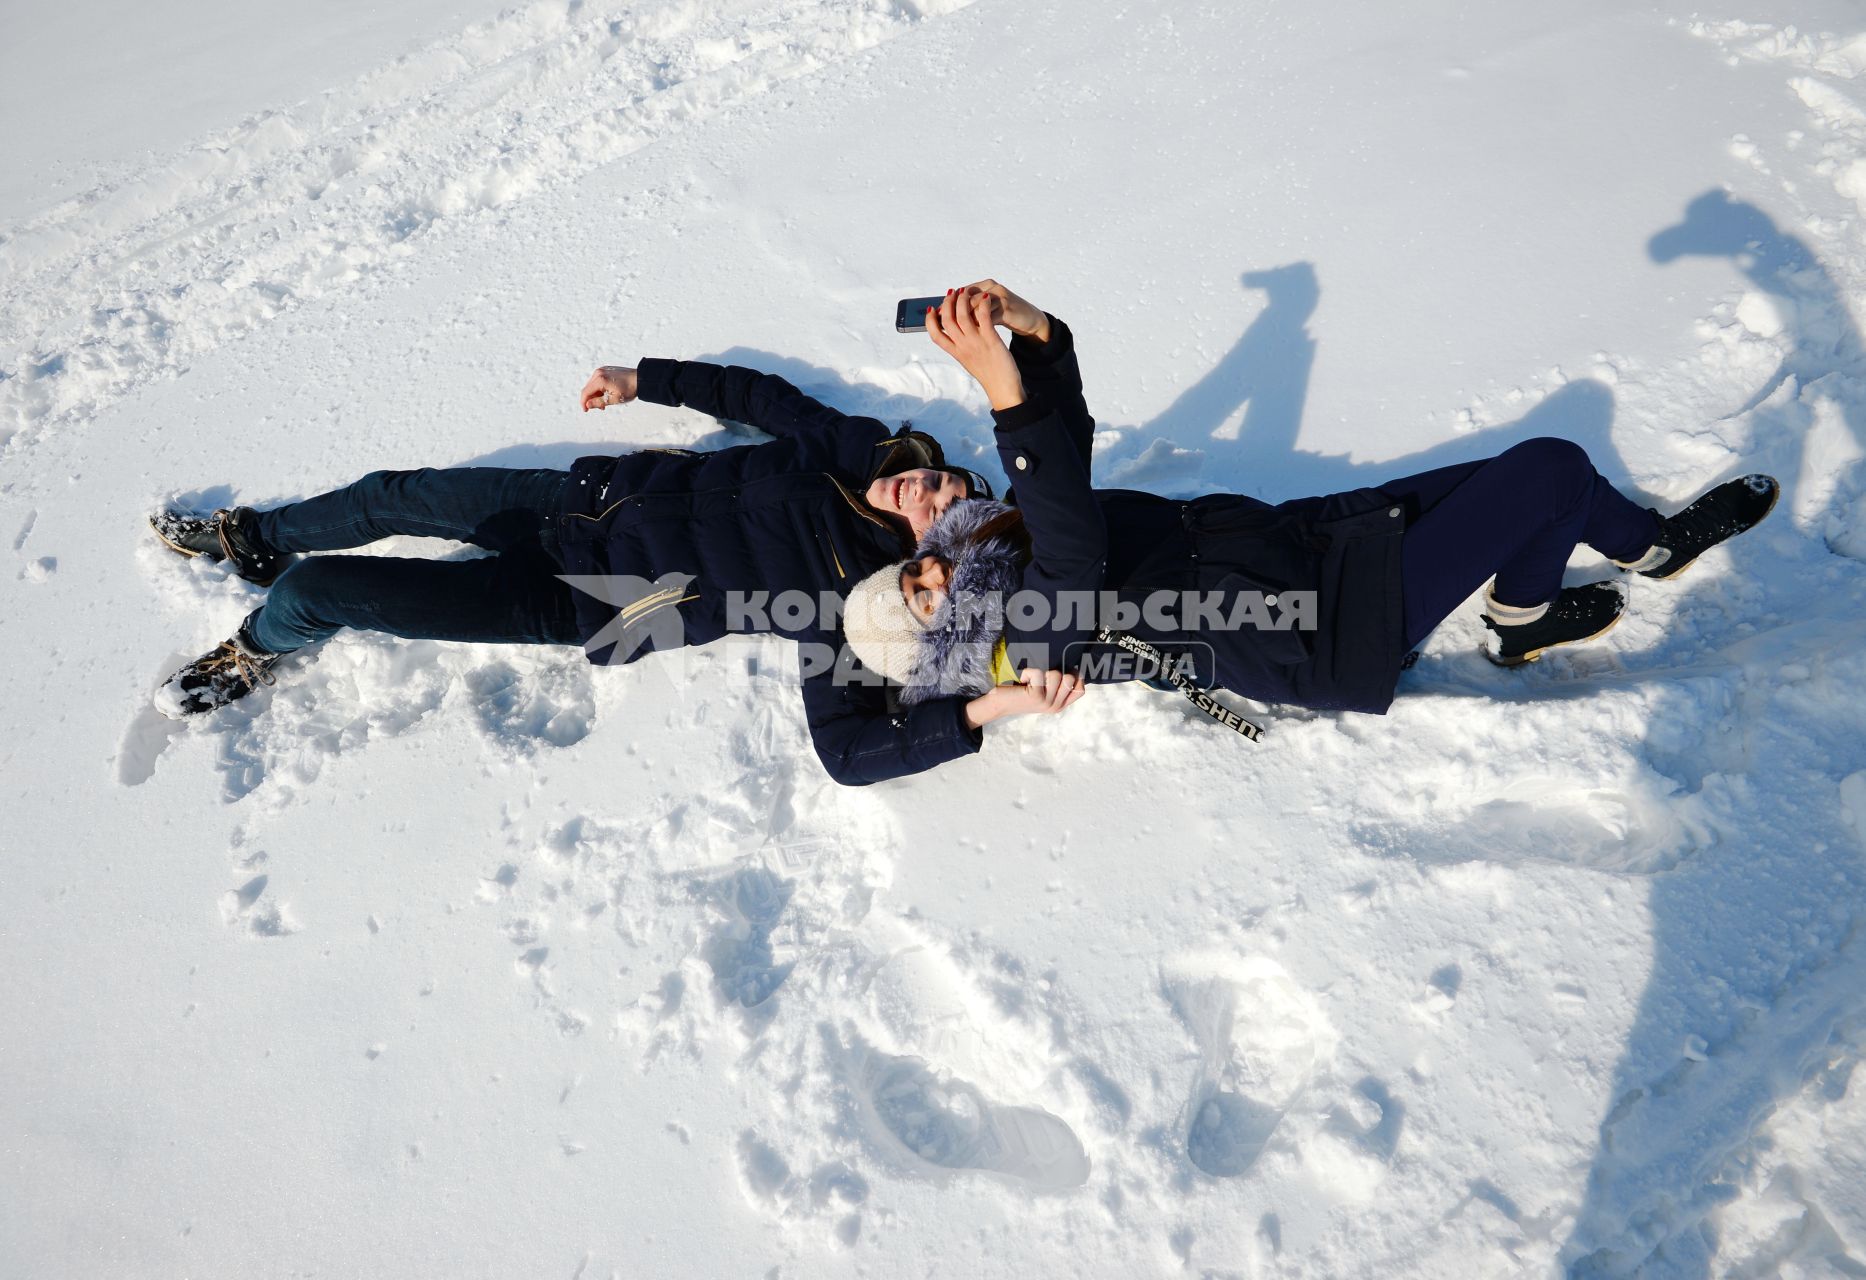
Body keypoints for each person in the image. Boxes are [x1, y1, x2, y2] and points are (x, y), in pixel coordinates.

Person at [810, 283, 1780, 785]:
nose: (930, 570)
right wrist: (997, 385)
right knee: (1550, 468)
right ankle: (1653, 551)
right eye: (921, 600)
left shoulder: (1002, 551)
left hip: (1313, 546)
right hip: (1329, 624)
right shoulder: (1032, 635)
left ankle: (1522, 618)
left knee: (1532, 485)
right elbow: (1067, 519)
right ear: (939, 642)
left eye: (916, 571)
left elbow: (1068, 456)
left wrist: (1035, 331)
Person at [149, 347, 984, 716]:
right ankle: (248, 538)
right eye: (939, 475)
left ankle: (255, 646)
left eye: (933, 505)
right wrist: (642, 379)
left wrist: (997, 696)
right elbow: (758, 397)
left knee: (319, 592)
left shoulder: (864, 597)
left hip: (585, 598)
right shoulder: (859, 443)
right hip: (576, 500)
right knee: (387, 494)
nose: (923, 485)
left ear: (924, 553)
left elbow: (892, 684)